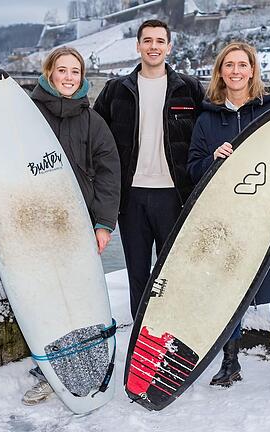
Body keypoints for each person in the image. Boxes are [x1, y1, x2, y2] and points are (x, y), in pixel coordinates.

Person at [0, 46, 121, 405]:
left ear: (82, 77)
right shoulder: (26, 114)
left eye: (75, 71)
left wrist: (103, 224)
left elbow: (109, 175)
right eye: (62, 70)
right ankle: (48, 374)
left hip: (76, 227)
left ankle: (90, 366)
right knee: (44, 300)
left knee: (79, 299)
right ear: (49, 73)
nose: (69, 77)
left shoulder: (92, 121)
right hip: (30, 227)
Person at [187, 42, 270, 397]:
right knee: (230, 292)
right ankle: (231, 362)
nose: (237, 71)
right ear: (221, 72)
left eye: (243, 65)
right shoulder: (207, 119)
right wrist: (213, 158)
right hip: (229, 222)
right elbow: (193, 170)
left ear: (253, 70)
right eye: (230, 65)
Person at [93, 19, 205, 318]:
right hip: (131, 198)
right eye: (148, 41)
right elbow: (89, 133)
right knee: (139, 275)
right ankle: (141, 343)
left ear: (169, 47)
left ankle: (170, 335)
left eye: (159, 41)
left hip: (175, 195)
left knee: (173, 273)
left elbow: (217, 126)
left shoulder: (190, 88)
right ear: (138, 45)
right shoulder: (116, 90)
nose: (153, 47)